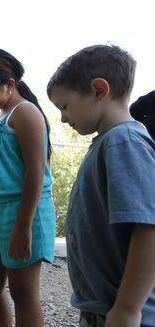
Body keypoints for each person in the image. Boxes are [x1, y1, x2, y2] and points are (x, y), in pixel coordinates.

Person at [47, 44, 155, 327]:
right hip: (103, 309)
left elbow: (149, 229)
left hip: (125, 314)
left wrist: (128, 308)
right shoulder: (108, 142)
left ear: (98, 90)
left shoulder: (124, 142)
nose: (62, 118)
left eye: (65, 105)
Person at [0, 48, 56, 327]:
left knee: (23, 291)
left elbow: (36, 169)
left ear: (9, 84)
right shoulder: (2, 116)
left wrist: (23, 225)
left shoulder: (26, 112)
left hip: (24, 209)